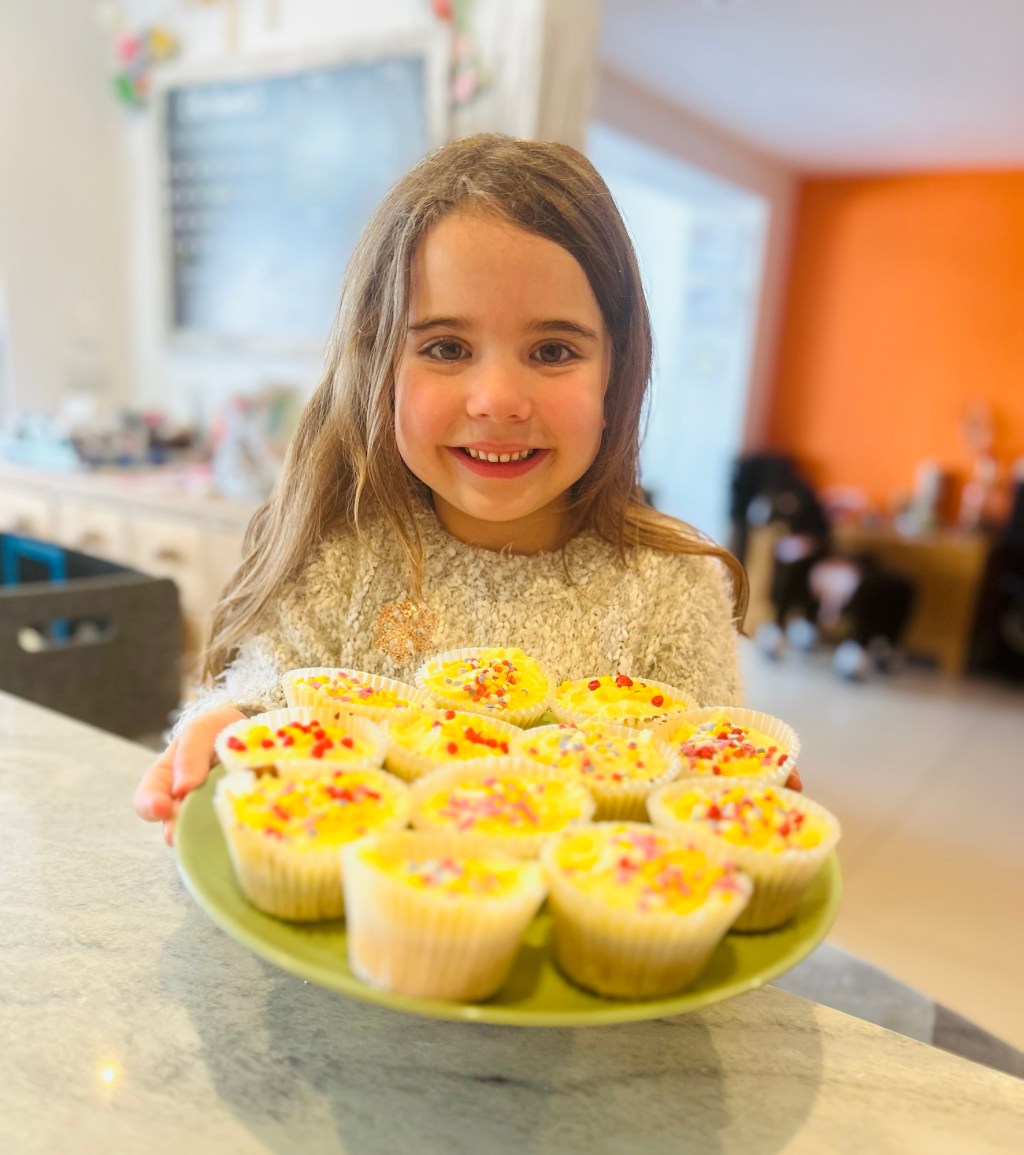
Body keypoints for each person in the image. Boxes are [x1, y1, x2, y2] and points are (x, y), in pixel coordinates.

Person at [135, 132, 797, 845]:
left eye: (553, 351)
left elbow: (704, 784)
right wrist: (223, 724)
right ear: (378, 360)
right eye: (446, 348)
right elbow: (270, 687)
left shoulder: (671, 590)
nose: (498, 399)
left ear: (619, 369)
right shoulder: (347, 548)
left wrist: (736, 802)